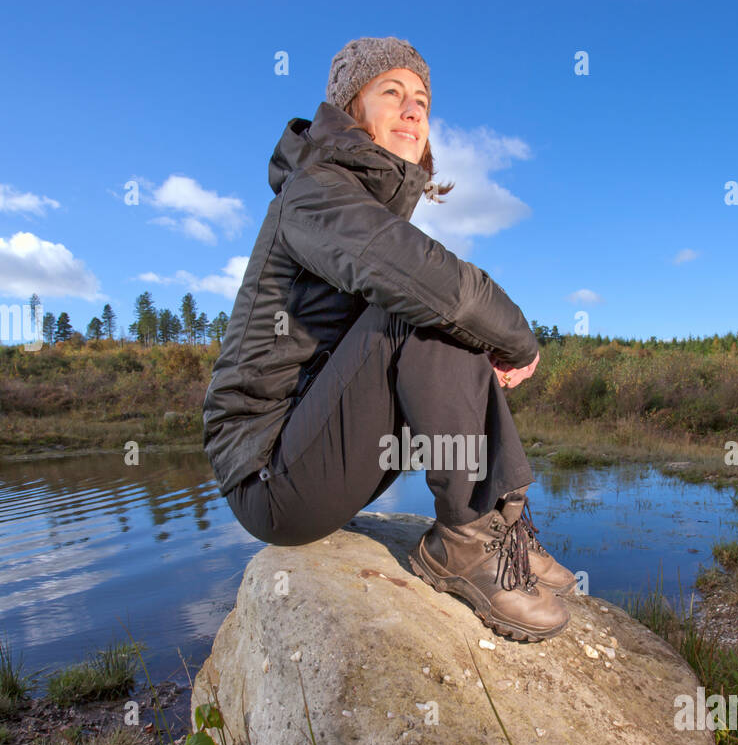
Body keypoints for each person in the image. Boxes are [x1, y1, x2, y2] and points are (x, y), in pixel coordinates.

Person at [202, 36, 574, 641]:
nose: (413, 111)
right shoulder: (315, 190)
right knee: (425, 302)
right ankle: (464, 541)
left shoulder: (357, 201)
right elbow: (429, 283)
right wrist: (518, 341)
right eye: (392, 93)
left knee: (440, 309)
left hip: (317, 445)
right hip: (268, 472)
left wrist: (481, 346)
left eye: (422, 100)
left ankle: (499, 525)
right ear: (352, 109)